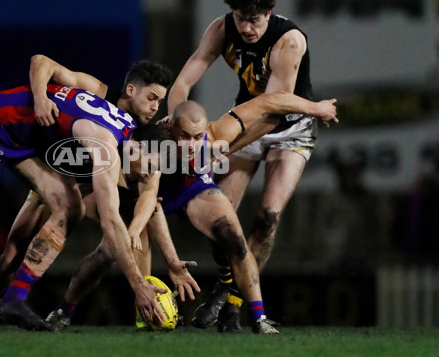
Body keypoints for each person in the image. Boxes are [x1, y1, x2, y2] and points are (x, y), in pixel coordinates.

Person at [0, 55, 177, 331]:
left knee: (68, 207)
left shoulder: (130, 128)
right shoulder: (106, 145)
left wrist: (169, 259)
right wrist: (138, 286)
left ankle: (13, 300)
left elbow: (147, 193)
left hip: (33, 145)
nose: (150, 173)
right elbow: (110, 222)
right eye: (151, 165)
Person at [46, 96, 337, 334]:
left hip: (192, 189)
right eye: (184, 135)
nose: (190, 143)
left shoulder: (218, 133)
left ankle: (258, 317)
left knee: (233, 237)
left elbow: (269, 101)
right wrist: (152, 245)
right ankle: (64, 311)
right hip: (150, 197)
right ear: (171, 125)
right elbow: (151, 201)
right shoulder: (154, 142)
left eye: (197, 137)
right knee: (110, 250)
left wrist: (317, 108)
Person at [167, 0, 327, 328]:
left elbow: (271, 109)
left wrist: (216, 147)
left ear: (269, 13)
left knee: (267, 218)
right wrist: (178, 123)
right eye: (241, 18)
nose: (247, 27)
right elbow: (183, 80)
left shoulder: (289, 40)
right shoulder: (222, 29)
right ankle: (227, 283)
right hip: (247, 118)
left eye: (255, 19)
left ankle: (231, 301)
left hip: (288, 128)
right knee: (219, 214)